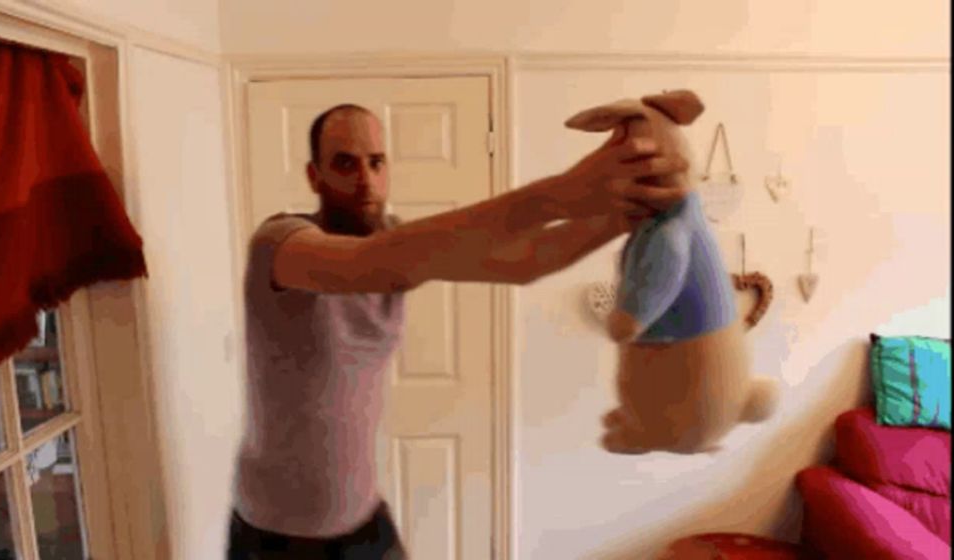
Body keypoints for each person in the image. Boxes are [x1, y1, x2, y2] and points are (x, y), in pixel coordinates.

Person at [227, 103, 690, 559]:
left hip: (363, 519)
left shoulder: (395, 238)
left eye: (376, 161)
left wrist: (626, 213)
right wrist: (559, 193)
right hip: (277, 540)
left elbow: (525, 260)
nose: (365, 180)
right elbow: (369, 266)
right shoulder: (281, 244)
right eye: (345, 163)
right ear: (315, 176)